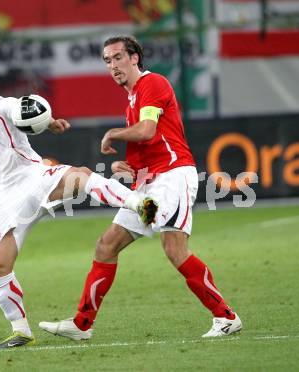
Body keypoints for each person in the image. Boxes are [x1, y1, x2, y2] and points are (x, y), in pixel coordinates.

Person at [39, 35, 242, 340]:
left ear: (134, 58)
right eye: (107, 60)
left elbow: (147, 131)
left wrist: (113, 134)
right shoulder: (133, 97)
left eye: (118, 57)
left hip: (173, 177)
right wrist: (130, 168)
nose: (113, 65)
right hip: (151, 180)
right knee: (106, 245)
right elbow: (153, 138)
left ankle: (226, 317)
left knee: (174, 249)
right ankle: (82, 325)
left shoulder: (153, 84)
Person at [0, 54, 158, 349]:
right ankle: (20, 331)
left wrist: (49, 124)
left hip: (31, 178)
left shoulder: (3, 105)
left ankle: (140, 204)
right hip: (1, 201)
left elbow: (27, 110)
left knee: (80, 178)